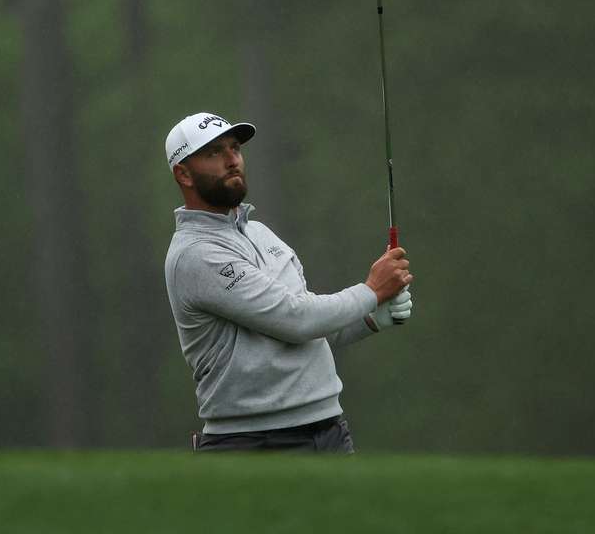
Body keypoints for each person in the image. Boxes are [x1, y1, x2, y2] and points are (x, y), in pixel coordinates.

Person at [163, 112, 413, 453]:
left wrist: (372, 318)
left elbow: (313, 327)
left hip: (329, 431)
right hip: (251, 443)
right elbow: (295, 319)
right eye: (213, 153)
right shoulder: (194, 255)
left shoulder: (262, 234)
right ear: (183, 174)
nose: (231, 160)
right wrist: (371, 291)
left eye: (234, 148)